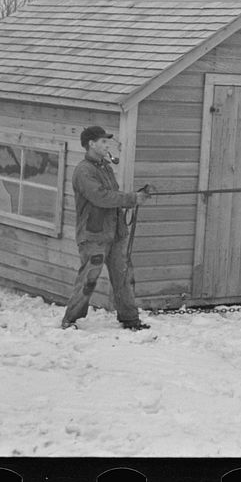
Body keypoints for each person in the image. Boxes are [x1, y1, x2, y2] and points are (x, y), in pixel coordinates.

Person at [60, 125, 153, 331]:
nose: (107, 144)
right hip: (94, 235)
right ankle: (70, 319)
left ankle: (130, 319)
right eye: (103, 141)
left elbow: (112, 197)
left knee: (124, 276)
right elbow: (100, 197)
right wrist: (132, 198)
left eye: (107, 141)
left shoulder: (106, 167)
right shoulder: (84, 171)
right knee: (89, 278)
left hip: (116, 233)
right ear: (91, 144)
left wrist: (133, 198)